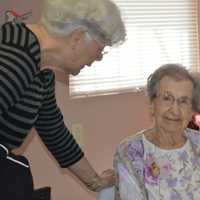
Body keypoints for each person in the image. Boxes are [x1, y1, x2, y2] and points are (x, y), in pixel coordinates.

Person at [0, 0, 126, 199]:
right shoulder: (15, 58)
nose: (98, 59)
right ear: (78, 37)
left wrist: (96, 182)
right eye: (101, 49)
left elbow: (54, 131)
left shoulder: (42, 69)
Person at [114, 64, 200, 200]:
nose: (175, 110)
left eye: (183, 101)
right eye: (167, 98)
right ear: (152, 104)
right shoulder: (131, 151)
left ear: (191, 110)